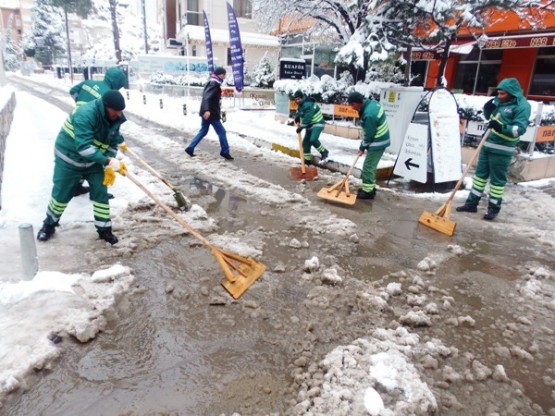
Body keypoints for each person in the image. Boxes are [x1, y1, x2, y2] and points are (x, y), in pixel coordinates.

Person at [36, 90, 128, 245]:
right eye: (115, 111)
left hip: (93, 161)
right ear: (106, 107)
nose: (118, 115)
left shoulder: (116, 118)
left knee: (100, 194)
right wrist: (107, 161)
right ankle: (49, 225)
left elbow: (112, 142)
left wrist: (110, 160)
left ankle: (104, 230)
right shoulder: (85, 114)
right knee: (61, 194)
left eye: (120, 112)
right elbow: (84, 147)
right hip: (69, 158)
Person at [456, 78, 531, 220]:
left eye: (502, 94)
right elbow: (489, 118)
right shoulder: (499, 102)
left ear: (512, 93)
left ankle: (493, 208)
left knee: (497, 181)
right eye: (498, 93)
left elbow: (519, 129)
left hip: (502, 149)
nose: (499, 96)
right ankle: (471, 204)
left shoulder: (522, 106)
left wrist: (502, 128)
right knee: (479, 177)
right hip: (487, 145)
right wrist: (488, 108)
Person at [69, 66, 128, 196]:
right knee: (96, 155)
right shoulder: (108, 96)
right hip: (92, 126)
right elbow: (111, 128)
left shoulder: (89, 82)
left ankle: (77, 185)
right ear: (117, 82)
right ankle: (97, 191)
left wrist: (80, 105)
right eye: (120, 85)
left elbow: (73, 91)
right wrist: (119, 140)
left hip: (77, 122)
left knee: (80, 155)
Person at [347, 91, 390, 200]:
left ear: (357, 103)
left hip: (377, 141)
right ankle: (370, 187)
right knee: (370, 166)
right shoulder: (371, 103)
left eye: (352, 105)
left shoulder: (369, 114)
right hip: (380, 138)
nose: (352, 107)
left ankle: (368, 192)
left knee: (368, 167)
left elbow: (369, 135)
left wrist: (362, 147)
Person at [185, 67, 234, 160]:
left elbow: (207, 97)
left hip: (207, 112)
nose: (224, 77)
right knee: (222, 131)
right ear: (220, 75)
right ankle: (225, 151)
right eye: (224, 75)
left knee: (203, 130)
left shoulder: (212, 82)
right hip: (211, 113)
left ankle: (190, 148)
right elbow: (207, 97)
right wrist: (207, 110)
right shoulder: (214, 84)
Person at [293, 90, 328, 165]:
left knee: (313, 139)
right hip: (309, 126)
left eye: (298, 98)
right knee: (305, 143)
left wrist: (301, 128)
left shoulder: (308, 104)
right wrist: (297, 117)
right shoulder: (301, 105)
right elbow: (299, 112)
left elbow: (307, 118)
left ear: (302, 98)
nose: (297, 101)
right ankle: (307, 162)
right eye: (296, 99)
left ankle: (324, 152)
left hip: (318, 123)